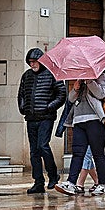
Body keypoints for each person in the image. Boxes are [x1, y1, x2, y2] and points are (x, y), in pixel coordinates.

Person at [17, 48, 66, 194]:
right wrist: (22, 108)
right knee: (34, 151)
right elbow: (21, 94)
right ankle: (38, 182)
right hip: (31, 118)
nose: (32, 65)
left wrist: (49, 107)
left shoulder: (52, 74)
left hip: (46, 117)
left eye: (34, 61)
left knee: (43, 145)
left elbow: (61, 94)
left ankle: (53, 175)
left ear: (41, 60)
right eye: (30, 62)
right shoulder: (26, 75)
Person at [55, 72, 105, 196]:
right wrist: (75, 88)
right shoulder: (80, 79)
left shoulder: (102, 77)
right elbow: (70, 99)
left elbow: (101, 93)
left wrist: (90, 81)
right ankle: (71, 183)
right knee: (78, 153)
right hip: (78, 120)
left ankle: (102, 184)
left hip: (95, 120)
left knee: (98, 153)